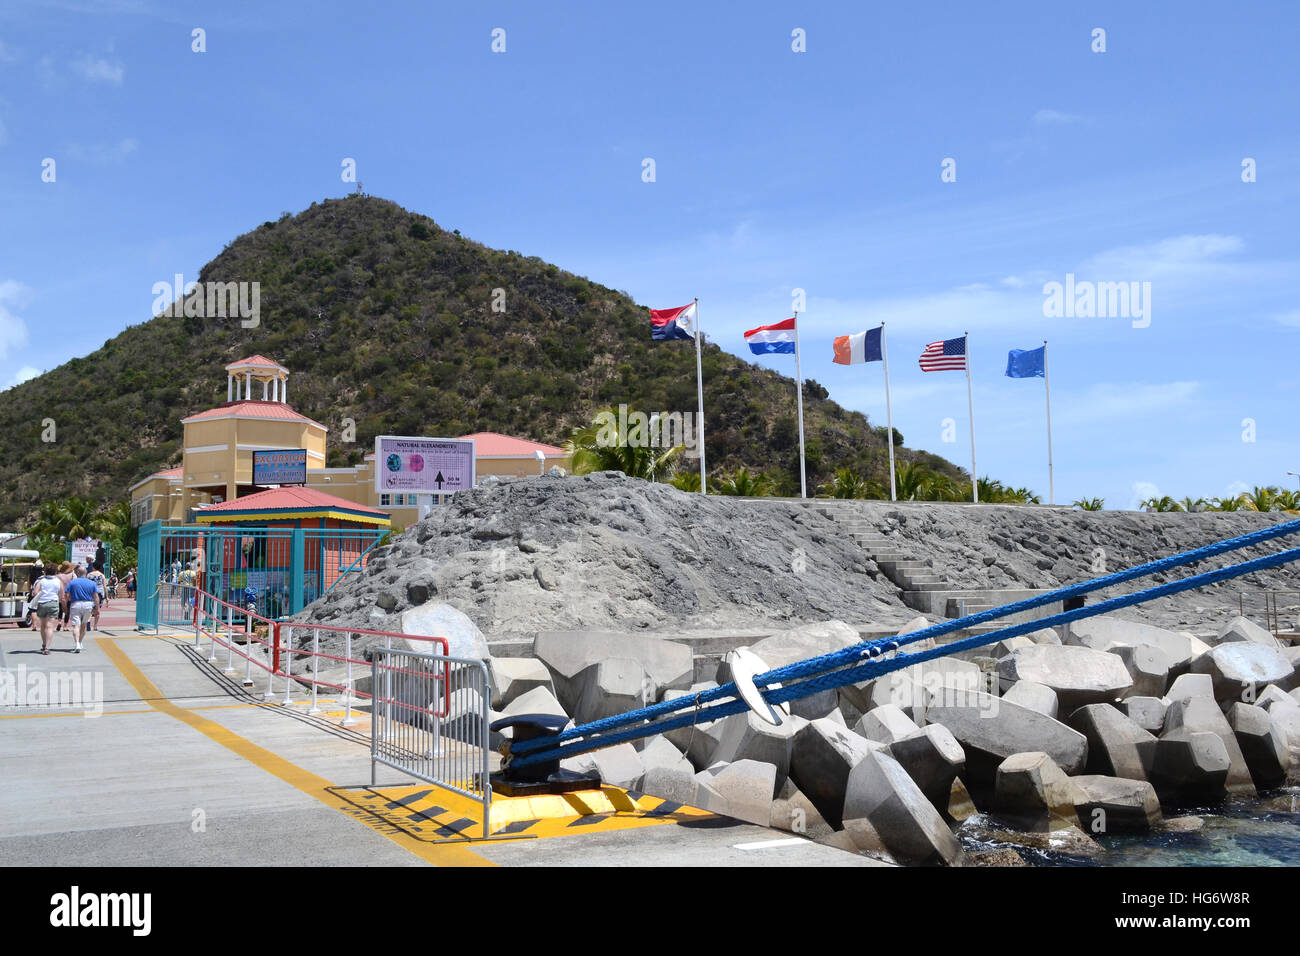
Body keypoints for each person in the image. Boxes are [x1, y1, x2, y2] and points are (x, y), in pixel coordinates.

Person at [31, 564, 64, 655]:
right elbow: (62, 595)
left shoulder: (41, 581)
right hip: (53, 603)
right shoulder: (58, 581)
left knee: (43, 625)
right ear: (55, 571)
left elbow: (35, 592)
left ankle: (44, 643)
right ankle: (47, 647)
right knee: (50, 626)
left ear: (45, 571)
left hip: (42, 603)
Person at [65, 566, 99, 653]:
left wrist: (65, 605)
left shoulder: (72, 582)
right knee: (83, 625)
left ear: (77, 573)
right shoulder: (92, 583)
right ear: (86, 573)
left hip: (75, 604)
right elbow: (96, 597)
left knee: (76, 626)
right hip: (88, 604)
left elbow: (67, 595)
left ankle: (76, 643)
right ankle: (80, 642)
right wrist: (97, 608)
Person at [55, 561, 74, 632]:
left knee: (60, 609)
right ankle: (65, 626)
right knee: (67, 610)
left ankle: (59, 622)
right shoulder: (72, 575)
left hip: (60, 594)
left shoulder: (58, 576)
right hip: (69, 594)